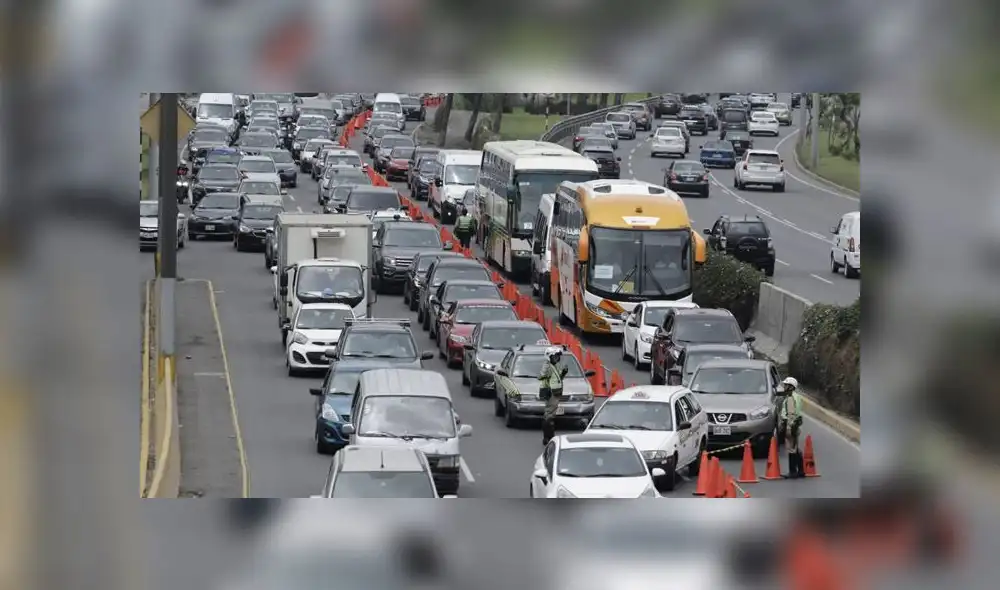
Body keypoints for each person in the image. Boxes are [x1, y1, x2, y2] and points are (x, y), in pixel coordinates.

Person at [538, 346, 568, 445]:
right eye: (555, 357)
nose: (557, 359)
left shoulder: (554, 366)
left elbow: (557, 379)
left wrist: (563, 373)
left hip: (555, 392)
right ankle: (548, 437)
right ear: (549, 357)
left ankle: (549, 436)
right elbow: (542, 376)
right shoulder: (548, 366)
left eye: (557, 357)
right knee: (549, 415)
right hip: (551, 393)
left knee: (550, 414)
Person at [779, 376, 805, 478]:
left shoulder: (790, 398)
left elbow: (790, 414)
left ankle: (793, 471)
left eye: (786, 385)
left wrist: (788, 428)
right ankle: (801, 470)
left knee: (791, 449)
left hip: (791, 425)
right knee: (795, 448)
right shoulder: (796, 396)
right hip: (796, 424)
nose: (784, 387)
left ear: (791, 387)